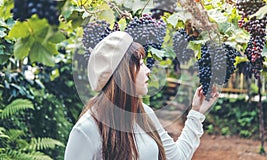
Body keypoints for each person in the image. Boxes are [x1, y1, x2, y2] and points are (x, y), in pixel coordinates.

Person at [64, 31, 219, 160]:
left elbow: (176, 157)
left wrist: (196, 112)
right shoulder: (86, 130)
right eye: (141, 64)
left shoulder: (145, 114)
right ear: (123, 73)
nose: (148, 70)